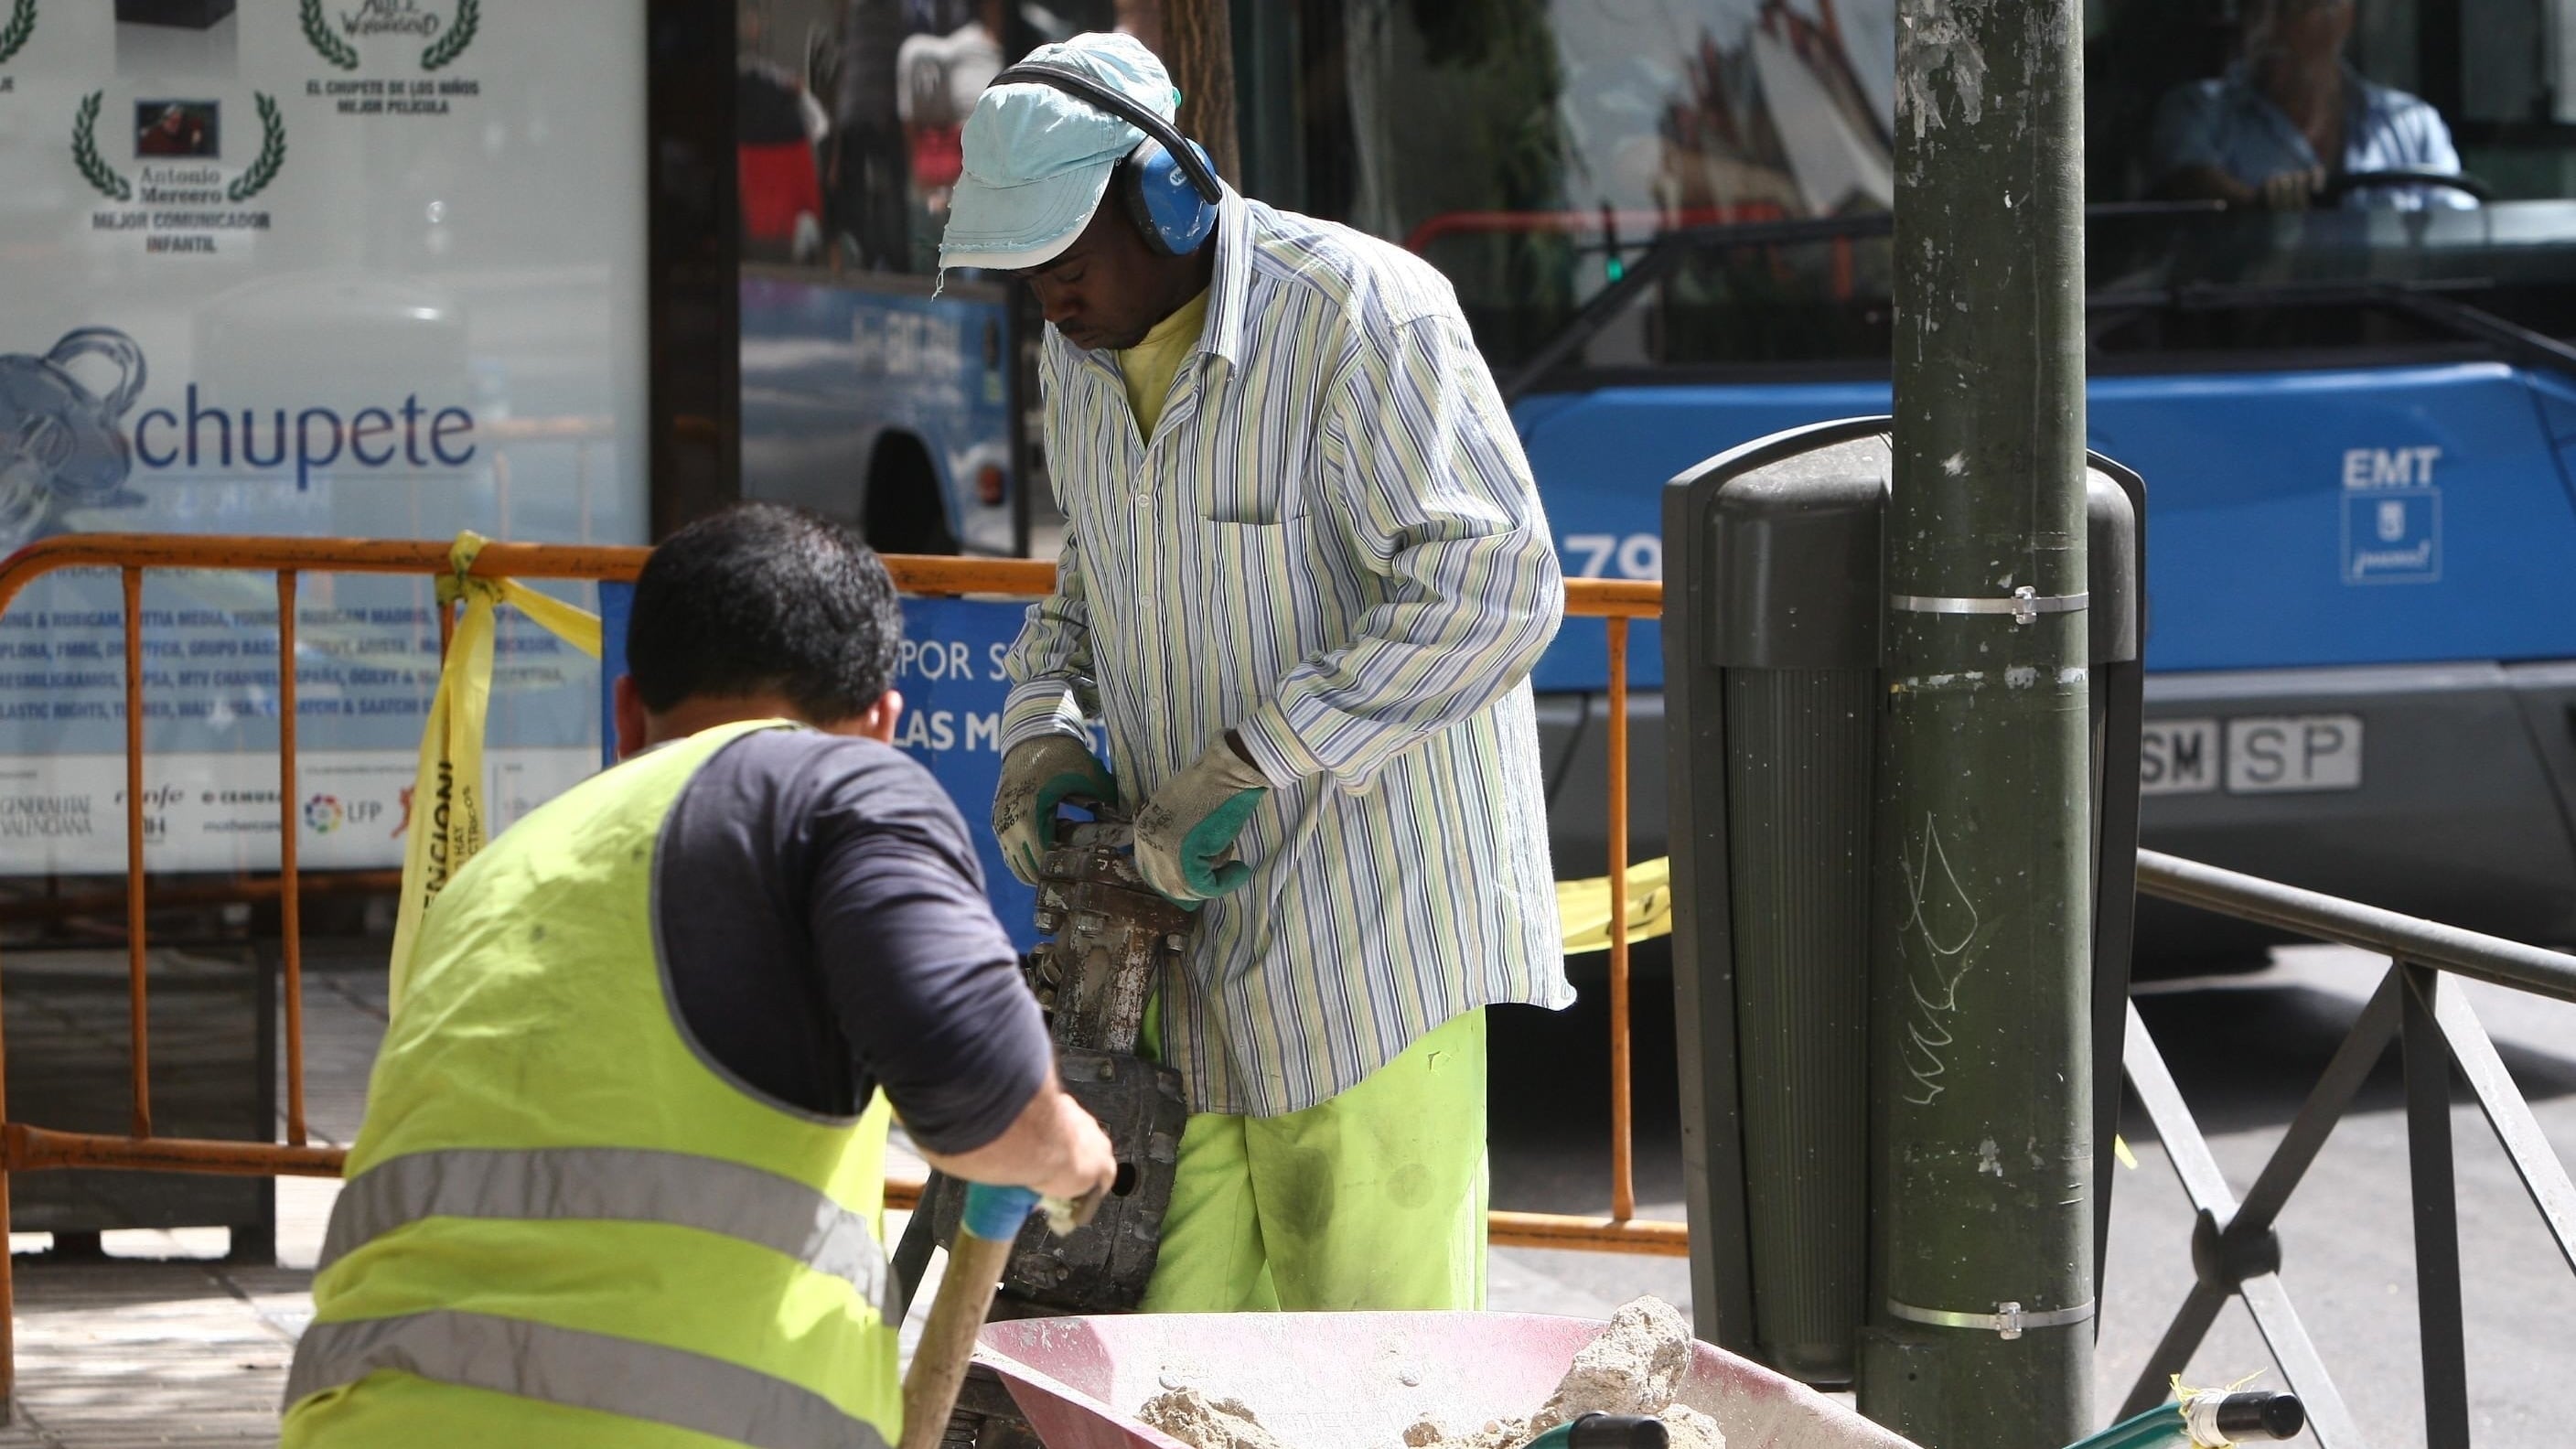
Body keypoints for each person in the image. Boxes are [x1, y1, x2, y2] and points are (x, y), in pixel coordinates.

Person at [941, 34, 1570, 1315]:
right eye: (1023, 270)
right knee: (1174, 1379)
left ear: (1166, 193)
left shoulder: (1360, 316)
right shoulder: (1080, 362)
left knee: (1374, 1385)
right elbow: (1085, 597)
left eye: (1065, 252)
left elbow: (1497, 587)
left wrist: (1258, 758)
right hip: (1185, 987)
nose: (1047, 296)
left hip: (1371, 961)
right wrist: (1041, 736)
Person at [279, 504, 1115, 1448]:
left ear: (628, 712)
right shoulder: (836, 787)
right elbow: (983, 1101)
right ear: (880, 724)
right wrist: (1068, 1153)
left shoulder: (494, 879)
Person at [2148, 0, 2472, 210]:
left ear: (2344, 17)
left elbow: (2461, 239)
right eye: (2257, 9)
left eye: (2293, 9)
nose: (2271, 29)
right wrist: (2257, 207)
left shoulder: (2412, 126)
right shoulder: (2200, 109)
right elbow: (2186, 184)